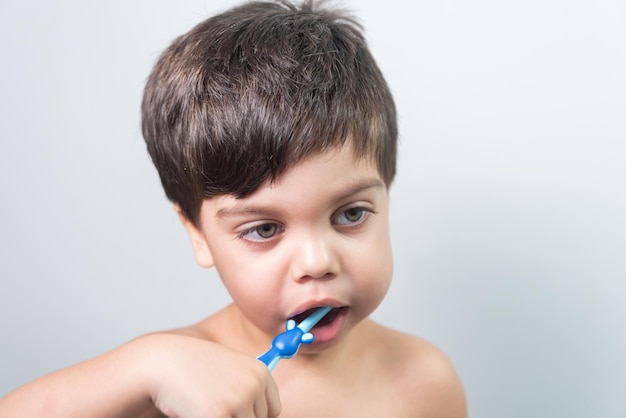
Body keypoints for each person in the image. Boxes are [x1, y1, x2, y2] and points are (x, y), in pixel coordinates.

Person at [0, 0, 467, 416]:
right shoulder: (165, 390)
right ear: (197, 234)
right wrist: (144, 366)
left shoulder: (424, 383)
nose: (316, 262)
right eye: (264, 229)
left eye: (350, 214)